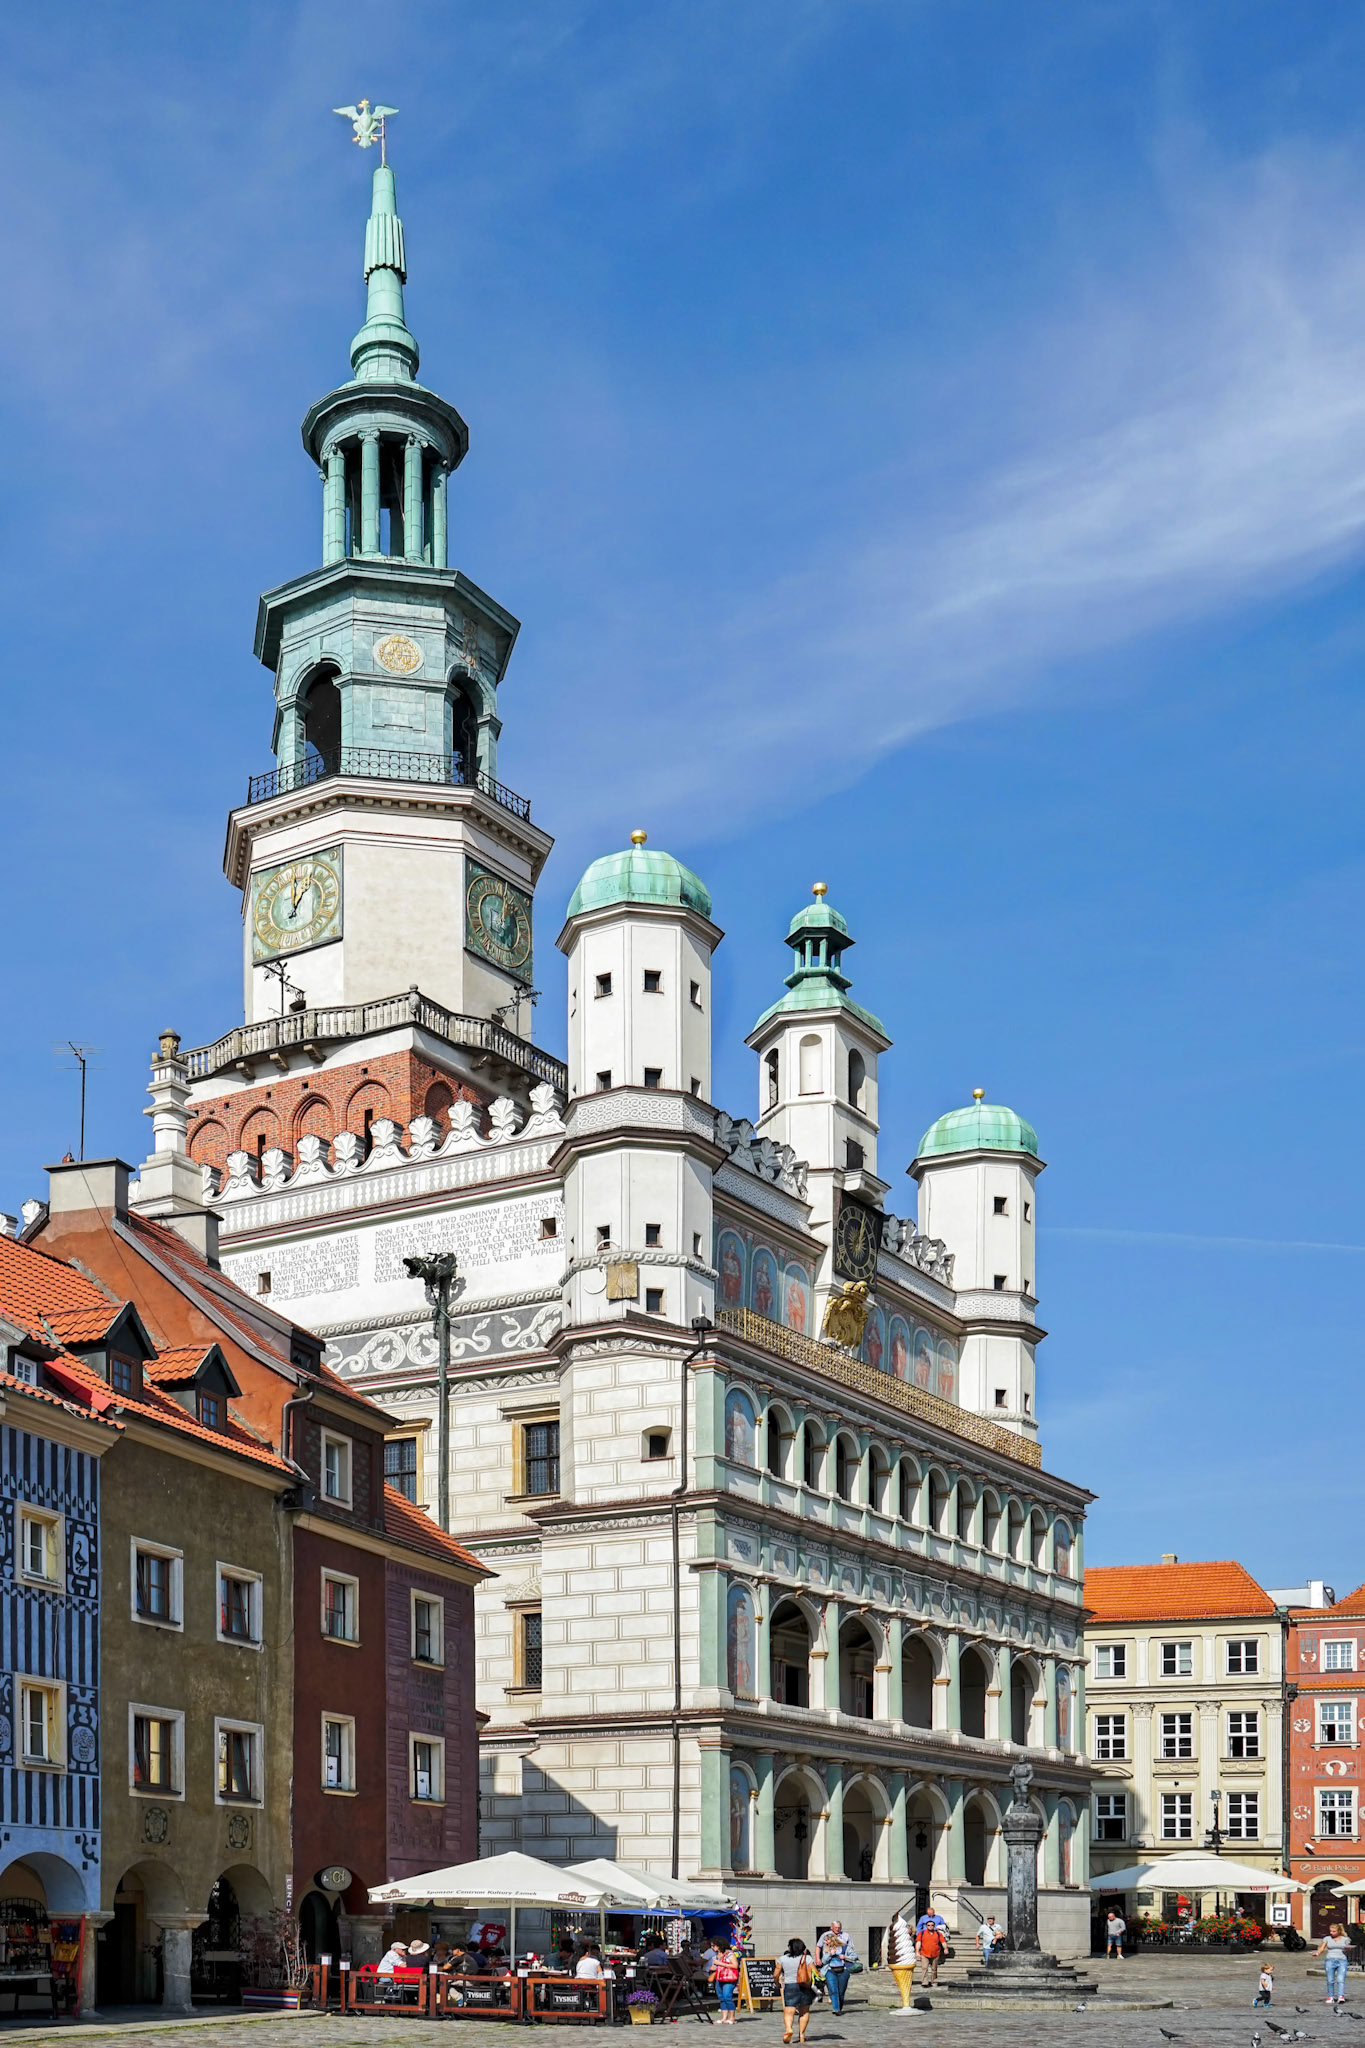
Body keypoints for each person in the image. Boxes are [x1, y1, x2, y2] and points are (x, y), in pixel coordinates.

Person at [779, 1939, 816, 2046]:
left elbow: (776, 1973)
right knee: (804, 2011)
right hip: (805, 1986)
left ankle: (789, 2029)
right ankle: (802, 2035)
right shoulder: (808, 1958)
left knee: (789, 2011)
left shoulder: (783, 1959)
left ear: (790, 1947)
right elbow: (814, 1972)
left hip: (790, 1986)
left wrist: (777, 1982)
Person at [817, 1923, 856, 2015]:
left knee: (841, 1991)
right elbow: (824, 1961)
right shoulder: (827, 1949)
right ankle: (836, 2009)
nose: (825, 1943)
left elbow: (854, 1956)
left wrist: (844, 1957)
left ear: (832, 1941)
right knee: (833, 1990)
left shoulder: (844, 1948)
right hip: (830, 1971)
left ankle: (839, 2007)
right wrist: (830, 1954)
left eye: (827, 1941)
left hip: (844, 1971)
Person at [1317, 1922, 1352, 2006]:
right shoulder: (1327, 1939)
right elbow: (1322, 1947)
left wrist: (1348, 1948)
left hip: (1342, 1961)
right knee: (1330, 1980)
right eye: (1331, 1931)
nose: (1331, 1933)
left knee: (1340, 1979)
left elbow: (1348, 1947)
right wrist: (1318, 1953)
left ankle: (1341, 1996)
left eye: (1334, 1931)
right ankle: (1330, 1996)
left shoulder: (1345, 1939)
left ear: (1339, 1931)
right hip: (1330, 1960)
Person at [711, 1944, 741, 2025]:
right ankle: (724, 2017)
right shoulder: (716, 1955)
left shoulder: (729, 1954)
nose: (713, 1947)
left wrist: (720, 1963)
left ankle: (732, 2017)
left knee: (727, 1997)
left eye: (714, 1945)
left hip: (729, 1978)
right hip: (719, 1977)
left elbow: (735, 1966)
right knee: (721, 1997)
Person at [916, 1912, 948, 1988]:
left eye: (932, 1925)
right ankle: (924, 1982)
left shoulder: (938, 1933)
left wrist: (945, 1948)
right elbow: (918, 1942)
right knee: (924, 1968)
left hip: (935, 1953)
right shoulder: (922, 1933)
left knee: (934, 1969)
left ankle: (934, 1981)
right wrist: (917, 1952)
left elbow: (943, 1942)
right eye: (928, 1925)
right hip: (924, 1953)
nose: (930, 1926)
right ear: (926, 1926)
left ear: (934, 1926)